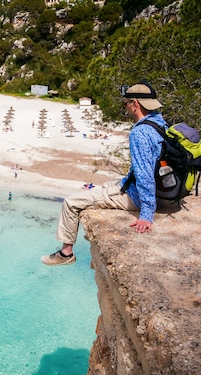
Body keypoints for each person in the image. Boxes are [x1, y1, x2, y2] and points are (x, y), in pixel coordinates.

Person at [41, 82, 166, 266]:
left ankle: (66, 253)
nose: (126, 108)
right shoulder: (161, 123)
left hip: (140, 196)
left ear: (135, 104)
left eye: (125, 104)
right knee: (106, 186)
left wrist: (146, 213)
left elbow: (144, 174)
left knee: (71, 203)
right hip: (164, 189)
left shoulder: (139, 132)